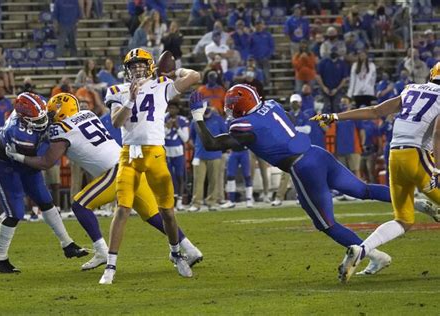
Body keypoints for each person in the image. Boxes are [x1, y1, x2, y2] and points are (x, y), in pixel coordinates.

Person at [190, 84, 392, 276]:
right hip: (317, 153)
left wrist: (197, 115)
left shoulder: (244, 125)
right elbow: (285, 121)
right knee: (364, 190)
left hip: (303, 168)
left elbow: (211, 144)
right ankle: (412, 199)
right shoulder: (272, 105)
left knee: (326, 224)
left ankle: (373, 254)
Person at [6, 93, 202, 271]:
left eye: (52, 113)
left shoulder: (61, 129)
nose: (49, 117)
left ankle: (101, 251)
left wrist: (18, 157)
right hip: (128, 163)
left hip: (116, 171)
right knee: (153, 216)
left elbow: (46, 162)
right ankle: (191, 249)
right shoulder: (89, 114)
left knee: (80, 205)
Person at [311, 62, 440, 283]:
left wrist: (335, 116)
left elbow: (375, 111)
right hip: (419, 157)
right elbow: (437, 134)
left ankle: (361, 250)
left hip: (395, 155)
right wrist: (437, 168)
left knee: (404, 220)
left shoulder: (410, 89)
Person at [101, 48, 201, 284]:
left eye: (141, 65)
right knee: (122, 208)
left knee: (167, 211)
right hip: (129, 155)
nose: (137, 69)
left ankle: (176, 254)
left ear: (150, 66)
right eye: (133, 66)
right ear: (126, 70)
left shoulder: (162, 85)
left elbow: (195, 77)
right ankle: (110, 266)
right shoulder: (117, 90)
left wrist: (176, 70)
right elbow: (116, 122)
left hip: (155, 153)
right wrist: (130, 100)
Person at [0, 92, 88, 273]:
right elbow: (41, 158)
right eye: (37, 119)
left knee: (46, 201)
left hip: (24, 159)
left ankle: (67, 244)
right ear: (24, 119)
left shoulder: (35, 111)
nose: (43, 121)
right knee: (15, 212)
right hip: (3, 164)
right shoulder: (16, 132)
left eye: (43, 116)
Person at [188, 104, 226, 212]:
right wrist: (197, 148)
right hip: (199, 156)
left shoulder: (218, 119)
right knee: (198, 181)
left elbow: (225, 134)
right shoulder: (195, 121)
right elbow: (191, 138)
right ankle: (196, 203)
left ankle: (212, 202)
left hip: (215, 155)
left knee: (214, 180)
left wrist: (220, 147)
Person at [164, 102, 190, 211]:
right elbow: (159, 135)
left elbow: (185, 139)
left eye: (174, 108)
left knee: (180, 176)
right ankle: (171, 202)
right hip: (166, 152)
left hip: (178, 151)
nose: (172, 110)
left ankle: (179, 202)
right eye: (170, 108)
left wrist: (177, 128)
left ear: (177, 110)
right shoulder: (163, 118)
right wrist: (167, 128)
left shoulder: (183, 120)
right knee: (169, 177)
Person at [249, 19, 274, 85]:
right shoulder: (252, 35)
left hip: (265, 58)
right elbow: (249, 47)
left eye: (260, 24)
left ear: (263, 25)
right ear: (255, 26)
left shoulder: (267, 35)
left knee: (266, 74)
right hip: (255, 59)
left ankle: (267, 88)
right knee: (257, 75)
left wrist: (268, 55)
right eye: (257, 24)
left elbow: (271, 46)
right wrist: (252, 56)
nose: (259, 26)